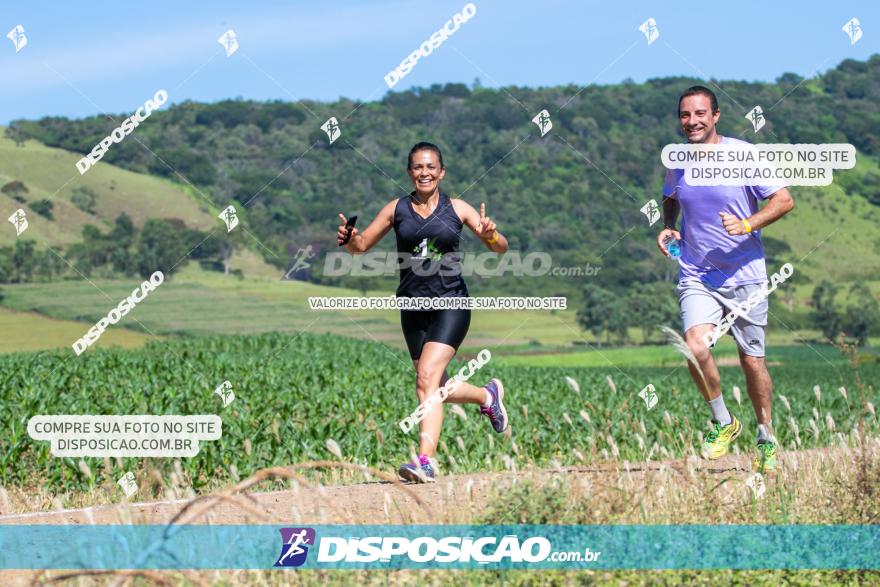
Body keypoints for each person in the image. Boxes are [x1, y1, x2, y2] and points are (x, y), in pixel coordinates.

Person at [337, 141, 510, 482]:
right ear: (409, 172)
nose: (424, 172)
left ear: (441, 172)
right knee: (435, 384)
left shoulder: (458, 208)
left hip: (451, 303)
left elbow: (501, 248)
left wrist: (490, 235)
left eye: (431, 167)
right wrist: (348, 238)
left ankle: (425, 461)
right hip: (412, 306)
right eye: (418, 167)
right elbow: (360, 247)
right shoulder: (396, 209)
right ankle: (485, 395)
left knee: (426, 379)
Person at [656, 86, 795, 473]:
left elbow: (783, 200)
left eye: (700, 114)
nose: (692, 122)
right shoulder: (677, 160)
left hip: (745, 275)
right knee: (694, 347)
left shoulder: (744, 154)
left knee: (752, 361)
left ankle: (765, 434)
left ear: (716, 116)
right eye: (685, 115)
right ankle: (723, 421)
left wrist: (748, 224)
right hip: (697, 274)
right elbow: (670, 196)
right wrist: (669, 227)